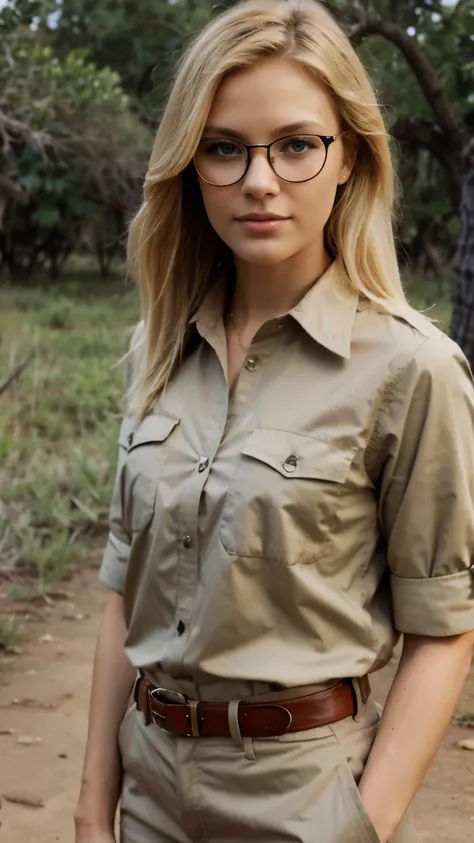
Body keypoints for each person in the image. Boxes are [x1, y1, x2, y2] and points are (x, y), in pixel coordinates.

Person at [75, 1, 474, 841]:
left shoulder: (414, 369)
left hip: (305, 802)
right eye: (224, 148)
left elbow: (443, 629)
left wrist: (362, 823)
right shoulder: (159, 347)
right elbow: (125, 600)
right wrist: (89, 808)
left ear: (349, 158)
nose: (259, 180)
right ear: (189, 164)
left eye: (296, 144)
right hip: (146, 790)